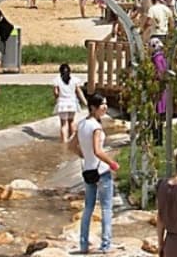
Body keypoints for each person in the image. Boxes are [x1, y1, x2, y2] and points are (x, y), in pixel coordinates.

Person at [76, 93, 119, 255]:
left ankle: (83, 244)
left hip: (87, 170)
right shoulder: (96, 127)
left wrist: (84, 155)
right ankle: (106, 245)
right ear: (93, 107)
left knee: (88, 207)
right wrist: (112, 163)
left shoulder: (81, 125)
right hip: (101, 171)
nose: (105, 107)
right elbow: (98, 150)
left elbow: (72, 146)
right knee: (106, 208)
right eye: (103, 105)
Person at [54, 62, 82, 146]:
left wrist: (57, 99)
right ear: (70, 71)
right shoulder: (74, 79)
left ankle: (64, 142)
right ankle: (73, 140)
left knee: (64, 124)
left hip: (62, 103)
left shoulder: (57, 80)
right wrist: (84, 101)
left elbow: (56, 92)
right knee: (72, 121)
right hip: (72, 103)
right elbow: (78, 91)